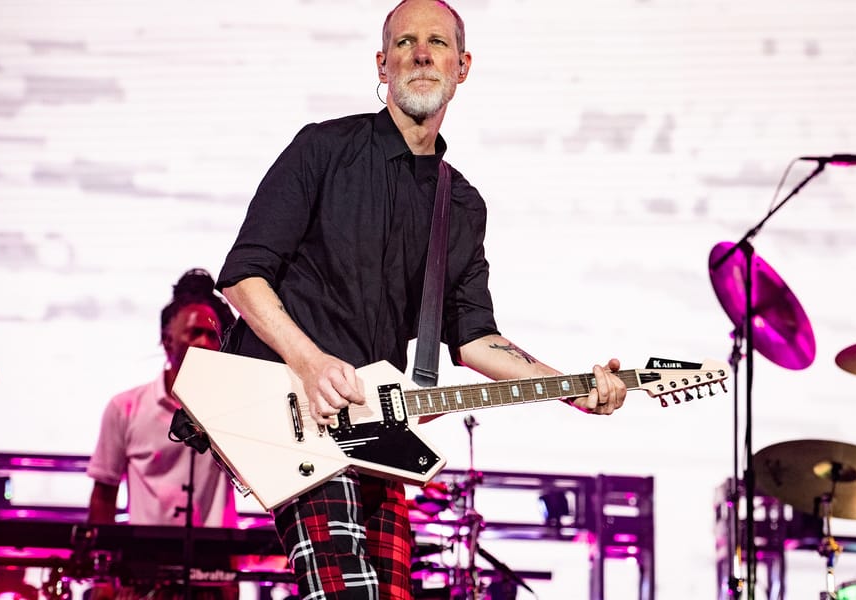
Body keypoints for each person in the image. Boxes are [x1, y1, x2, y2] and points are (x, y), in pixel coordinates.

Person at [216, 1, 628, 598]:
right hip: (295, 407)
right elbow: (243, 276)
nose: (421, 53)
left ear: (463, 66)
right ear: (382, 64)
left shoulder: (459, 204)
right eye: (405, 42)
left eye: (437, 42)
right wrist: (309, 363)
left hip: (376, 426)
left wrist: (571, 387)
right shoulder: (323, 148)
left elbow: (475, 337)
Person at [86, 268, 240, 599]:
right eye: (194, 332)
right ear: (167, 339)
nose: (204, 343)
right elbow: (104, 494)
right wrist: (102, 575)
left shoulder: (235, 411)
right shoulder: (125, 407)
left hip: (213, 569)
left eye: (212, 335)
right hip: (143, 566)